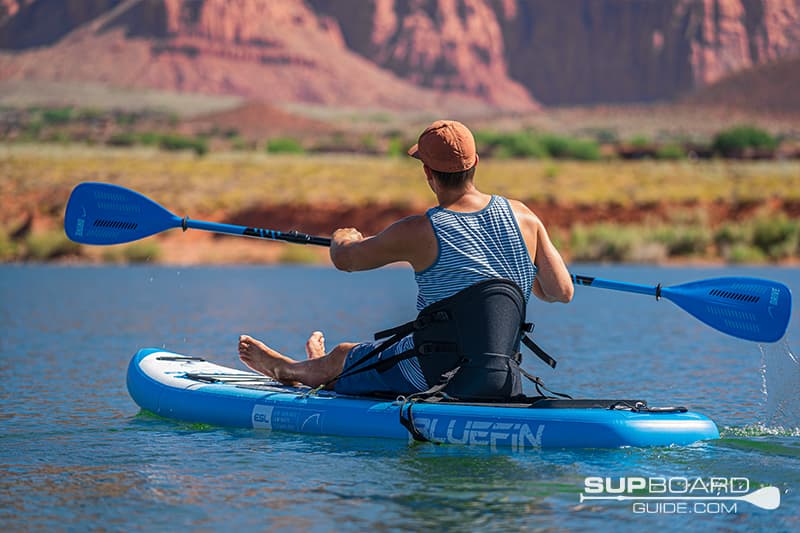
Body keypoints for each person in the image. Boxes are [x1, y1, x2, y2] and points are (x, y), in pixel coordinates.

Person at [238, 119, 573, 396]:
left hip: (431, 375)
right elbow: (561, 291)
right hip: (503, 377)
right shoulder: (525, 217)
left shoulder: (419, 230)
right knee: (362, 362)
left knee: (347, 353)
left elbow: (346, 260)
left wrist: (345, 237)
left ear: (428, 172)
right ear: (475, 165)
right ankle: (321, 368)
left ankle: (292, 369)